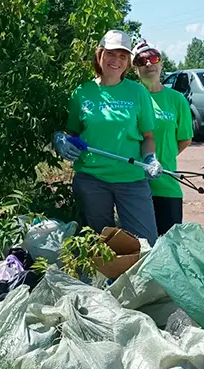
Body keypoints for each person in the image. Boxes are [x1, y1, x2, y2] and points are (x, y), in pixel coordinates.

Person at [58, 30, 163, 245]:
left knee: (145, 242)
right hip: (91, 180)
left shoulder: (137, 92)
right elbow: (72, 132)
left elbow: (148, 136)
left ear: (128, 62)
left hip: (132, 178)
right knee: (100, 242)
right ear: (100, 55)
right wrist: (60, 139)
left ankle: (138, 279)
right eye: (110, 54)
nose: (116, 61)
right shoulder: (82, 92)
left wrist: (151, 158)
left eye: (122, 56)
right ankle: (108, 279)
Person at [132, 40, 194, 235]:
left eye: (153, 58)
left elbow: (185, 139)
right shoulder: (130, 97)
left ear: (161, 64)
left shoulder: (177, 100)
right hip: (132, 185)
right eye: (142, 61)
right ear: (135, 70)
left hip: (167, 184)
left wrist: (163, 157)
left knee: (169, 245)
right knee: (139, 247)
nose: (149, 63)